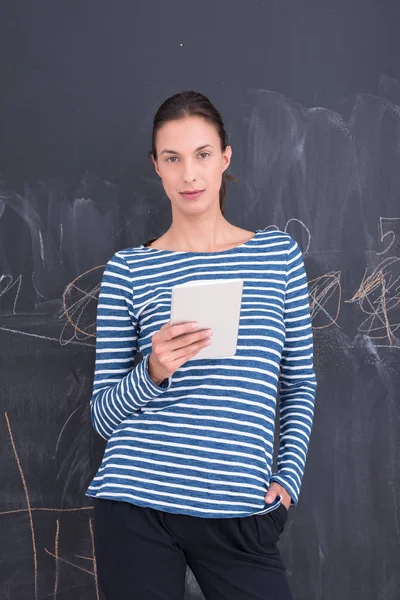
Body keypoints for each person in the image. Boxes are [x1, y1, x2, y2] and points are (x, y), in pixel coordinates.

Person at [86, 90, 317, 600]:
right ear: (157, 167)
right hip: (137, 502)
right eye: (173, 158)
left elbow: (299, 381)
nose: (189, 174)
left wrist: (288, 480)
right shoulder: (128, 269)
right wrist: (153, 369)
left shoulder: (277, 258)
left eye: (202, 155)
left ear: (225, 157)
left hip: (242, 512)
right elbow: (101, 418)